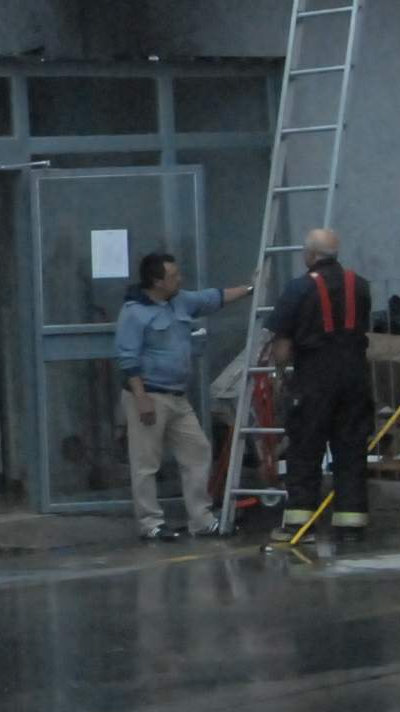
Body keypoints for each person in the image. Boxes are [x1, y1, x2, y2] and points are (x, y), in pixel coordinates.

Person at [115, 253, 250, 540]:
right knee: (146, 463)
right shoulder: (134, 313)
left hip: (177, 396)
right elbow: (128, 359)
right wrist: (141, 399)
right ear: (157, 281)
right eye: (173, 276)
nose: (180, 280)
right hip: (148, 395)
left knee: (198, 451)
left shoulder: (181, 301)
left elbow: (214, 298)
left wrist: (250, 288)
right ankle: (150, 524)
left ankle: (201, 520)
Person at [263, 229, 374, 532]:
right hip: (355, 377)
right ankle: (352, 524)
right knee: (351, 450)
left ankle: (300, 522)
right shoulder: (359, 286)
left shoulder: (298, 289)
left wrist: (280, 376)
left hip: (314, 377)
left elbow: (282, 346)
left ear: (311, 256)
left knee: (305, 449)